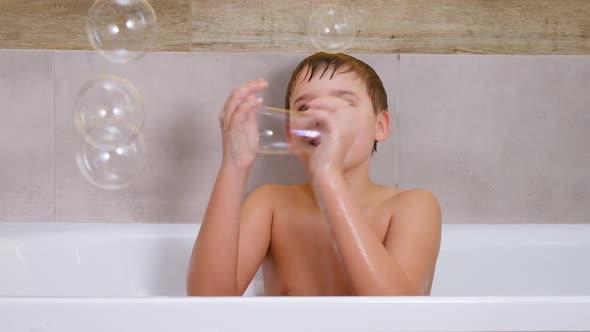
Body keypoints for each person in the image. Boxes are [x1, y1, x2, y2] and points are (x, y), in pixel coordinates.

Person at [187, 52, 441, 296]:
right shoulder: (271, 205)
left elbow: (401, 315)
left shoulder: (413, 206)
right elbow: (208, 300)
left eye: (343, 102)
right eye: (305, 107)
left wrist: (328, 177)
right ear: (290, 134)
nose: (321, 117)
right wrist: (234, 165)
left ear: (380, 126)